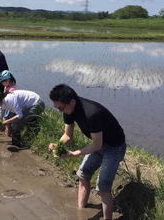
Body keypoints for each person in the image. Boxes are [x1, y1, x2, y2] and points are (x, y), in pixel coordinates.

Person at [48, 84, 126, 220]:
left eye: (60, 108)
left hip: (114, 147)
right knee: (83, 174)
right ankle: (81, 212)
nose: (60, 111)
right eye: (57, 108)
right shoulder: (68, 110)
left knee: (103, 186)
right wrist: (58, 145)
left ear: (72, 102)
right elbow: (68, 135)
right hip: (99, 144)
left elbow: (97, 145)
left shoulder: (91, 113)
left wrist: (73, 154)